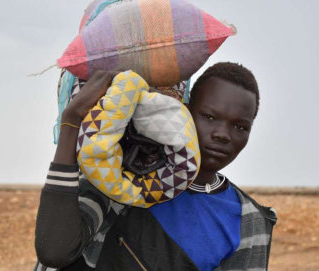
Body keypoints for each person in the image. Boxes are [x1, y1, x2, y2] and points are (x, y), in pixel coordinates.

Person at [33, 62, 277, 271]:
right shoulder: (127, 180)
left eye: (240, 127)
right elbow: (54, 249)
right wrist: (72, 121)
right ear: (184, 111)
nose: (223, 135)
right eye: (209, 117)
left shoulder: (248, 221)